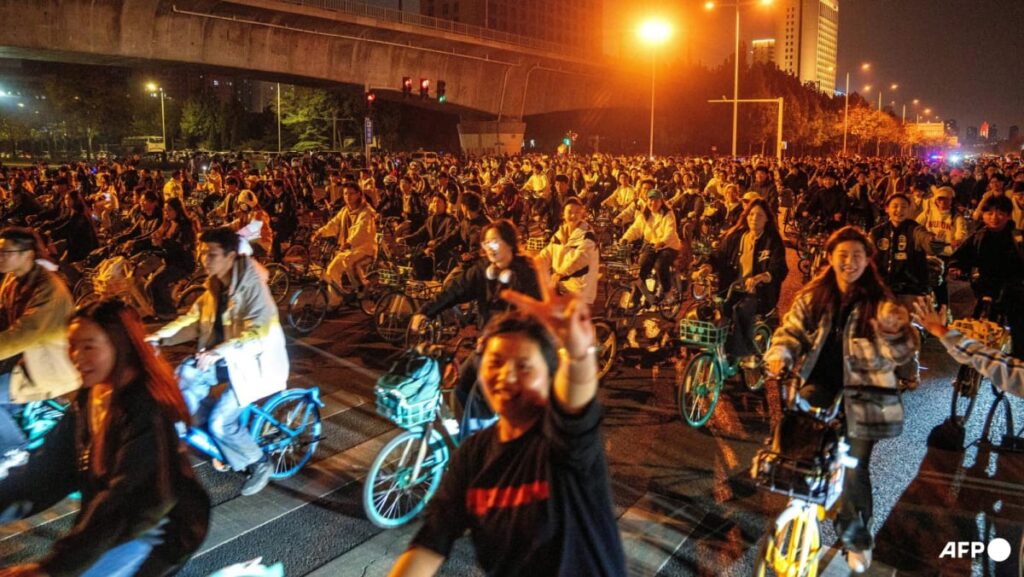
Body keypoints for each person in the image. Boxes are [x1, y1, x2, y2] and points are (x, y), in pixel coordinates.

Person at [388, 276, 626, 576]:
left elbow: (576, 400)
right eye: (495, 362)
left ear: (551, 375)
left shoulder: (564, 441)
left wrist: (578, 353)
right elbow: (431, 540)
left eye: (523, 366)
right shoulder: (473, 455)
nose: (505, 376)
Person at [0, 298, 210, 577]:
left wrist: (54, 568)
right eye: (72, 346)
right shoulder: (91, 396)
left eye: (88, 346)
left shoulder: (147, 410)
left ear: (119, 343)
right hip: (111, 525)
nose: (76, 357)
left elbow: (125, 502)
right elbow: (48, 470)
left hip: (153, 531)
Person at [764, 226, 919, 574]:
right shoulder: (815, 294)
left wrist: (905, 358)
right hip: (821, 383)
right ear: (831, 257)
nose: (849, 262)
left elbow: (904, 346)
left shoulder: (880, 302)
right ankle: (803, 501)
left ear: (868, 260)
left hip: (866, 394)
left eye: (857, 256)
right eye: (843, 255)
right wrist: (781, 354)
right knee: (794, 437)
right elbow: (792, 330)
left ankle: (856, 539)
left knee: (852, 468)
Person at [149, 227, 289, 497]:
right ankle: (215, 443)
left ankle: (258, 462)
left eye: (211, 254)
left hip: (254, 364)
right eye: (203, 253)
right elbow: (192, 320)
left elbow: (259, 334)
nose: (204, 259)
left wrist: (218, 352)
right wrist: (158, 338)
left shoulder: (252, 289)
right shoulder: (214, 286)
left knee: (220, 423)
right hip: (225, 357)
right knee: (183, 384)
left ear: (231, 256)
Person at [410, 220, 542, 412]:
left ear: (510, 243)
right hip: (487, 346)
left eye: (495, 242)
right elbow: (455, 290)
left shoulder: (526, 275)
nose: (490, 248)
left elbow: (525, 316)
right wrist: (425, 312)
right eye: (486, 244)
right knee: (461, 388)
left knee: (479, 401)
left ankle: (488, 439)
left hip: (514, 351)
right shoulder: (483, 270)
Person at [0, 227, 80, 463]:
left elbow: (24, 333)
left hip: (51, 368)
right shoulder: (13, 282)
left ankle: (13, 451)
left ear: (27, 254)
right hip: (25, 363)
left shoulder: (49, 289)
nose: (1, 256)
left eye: (6, 252)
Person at [701, 198, 787, 368]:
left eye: (760, 215)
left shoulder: (773, 241)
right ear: (746, 216)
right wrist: (708, 266)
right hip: (731, 289)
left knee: (739, 310)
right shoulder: (736, 236)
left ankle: (745, 353)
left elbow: (779, 269)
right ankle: (725, 349)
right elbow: (719, 255)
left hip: (759, 293)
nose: (754, 218)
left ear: (767, 219)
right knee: (713, 311)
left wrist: (760, 277)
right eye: (751, 214)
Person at [868, 193, 934, 390]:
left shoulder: (915, 230)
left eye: (904, 206)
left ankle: (909, 374)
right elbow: (868, 257)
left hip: (909, 289)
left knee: (905, 332)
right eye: (895, 206)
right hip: (883, 290)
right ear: (887, 208)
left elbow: (926, 240)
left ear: (910, 209)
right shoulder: (877, 232)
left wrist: (933, 243)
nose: (899, 210)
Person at [947, 194, 1024, 359]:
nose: (994, 217)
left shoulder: (1017, 237)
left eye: (1000, 213)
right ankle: (968, 370)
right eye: (989, 213)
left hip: (1013, 290)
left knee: (1018, 327)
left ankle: (1018, 367)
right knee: (974, 327)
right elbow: (961, 256)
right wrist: (956, 267)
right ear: (983, 215)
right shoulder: (978, 236)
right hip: (984, 287)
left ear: (1008, 215)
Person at [311, 182, 378, 306]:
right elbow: (333, 224)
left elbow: (361, 230)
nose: (348, 196)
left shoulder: (366, 212)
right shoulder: (345, 211)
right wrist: (319, 233)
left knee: (349, 262)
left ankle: (365, 288)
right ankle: (335, 301)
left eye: (351, 194)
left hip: (365, 249)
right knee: (331, 270)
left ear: (359, 194)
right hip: (347, 249)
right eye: (346, 193)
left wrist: (348, 243)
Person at [618, 188, 683, 304]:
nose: (652, 203)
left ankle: (668, 292)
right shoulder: (644, 215)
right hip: (652, 245)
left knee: (660, 265)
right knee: (641, 267)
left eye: (656, 201)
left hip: (669, 246)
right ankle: (636, 298)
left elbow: (670, 231)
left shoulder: (668, 214)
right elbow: (635, 229)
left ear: (661, 202)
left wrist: (662, 242)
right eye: (650, 200)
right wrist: (625, 238)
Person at [536, 197, 600, 305]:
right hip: (561, 286)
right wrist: (533, 263)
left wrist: (560, 273)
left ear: (582, 214)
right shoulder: (560, 233)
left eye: (577, 212)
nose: (573, 216)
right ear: (563, 214)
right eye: (570, 212)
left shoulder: (587, 235)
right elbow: (547, 253)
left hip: (580, 289)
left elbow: (579, 259)